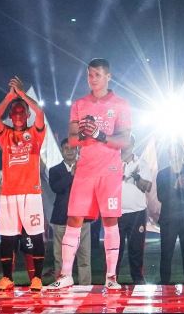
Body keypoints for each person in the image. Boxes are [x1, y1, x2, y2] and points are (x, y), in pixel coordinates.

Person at [48, 58, 131, 290]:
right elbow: (73, 139)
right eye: (89, 75)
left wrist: (101, 135)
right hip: (85, 171)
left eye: (97, 74)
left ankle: (111, 277)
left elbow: (125, 140)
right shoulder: (79, 104)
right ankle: (65, 275)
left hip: (110, 170)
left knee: (110, 221)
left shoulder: (121, 104)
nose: (92, 79)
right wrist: (86, 134)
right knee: (73, 219)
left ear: (108, 76)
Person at [0, 77, 46, 291]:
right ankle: (7, 278)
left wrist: (22, 95)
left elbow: (40, 114)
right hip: (9, 194)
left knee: (35, 233)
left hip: (30, 193)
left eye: (22, 111)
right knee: (7, 236)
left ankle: (37, 278)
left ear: (27, 114)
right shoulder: (6, 134)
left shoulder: (34, 133)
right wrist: (9, 97)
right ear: (11, 116)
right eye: (15, 112)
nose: (19, 115)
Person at [156, 143, 184, 284]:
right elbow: (161, 197)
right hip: (168, 220)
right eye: (172, 151)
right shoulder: (163, 174)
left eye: (177, 151)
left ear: (182, 153)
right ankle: (164, 286)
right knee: (166, 254)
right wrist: (175, 186)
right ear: (169, 154)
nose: (175, 154)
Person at [49, 138, 92, 285]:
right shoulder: (54, 170)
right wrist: (72, 174)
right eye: (66, 148)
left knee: (84, 258)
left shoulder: (86, 169)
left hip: (82, 219)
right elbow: (56, 188)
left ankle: (85, 288)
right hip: (61, 219)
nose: (69, 151)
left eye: (72, 148)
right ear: (62, 151)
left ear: (77, 150)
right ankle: (61, 286)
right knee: (60, 258)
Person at [117, 135, 152, 284]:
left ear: (133, 144)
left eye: (128, 142)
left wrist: (136, 177)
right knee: (115, 250)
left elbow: (148, 187)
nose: (126, 145)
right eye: (123, 142)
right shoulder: (112, 161)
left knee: (136, 249)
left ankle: (138, 279)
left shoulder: (141, 163)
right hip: (115, 212)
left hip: (137, 212)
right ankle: (112, 279)